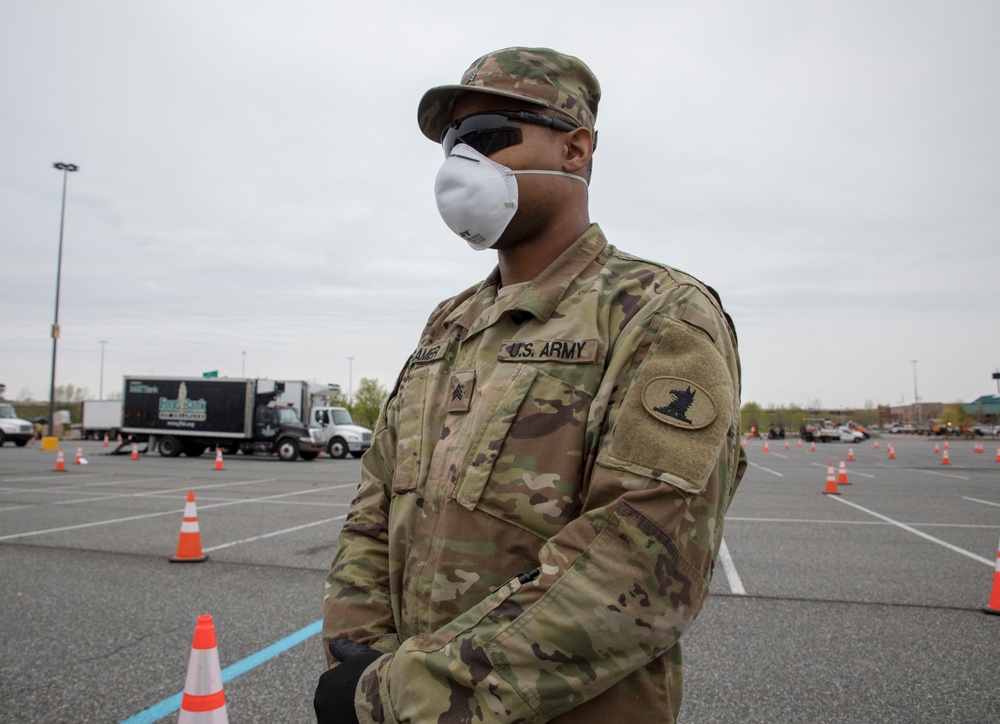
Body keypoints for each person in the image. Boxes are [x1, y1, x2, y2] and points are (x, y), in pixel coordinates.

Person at [315, 46, 746, 724]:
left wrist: (408, 697)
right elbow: (372, 508)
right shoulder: (448, 324)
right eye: (452, 144)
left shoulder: (658, 314)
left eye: (485, 138)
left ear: (575, 149)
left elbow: (640, 565)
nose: (460, 163)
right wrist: (362, 661)